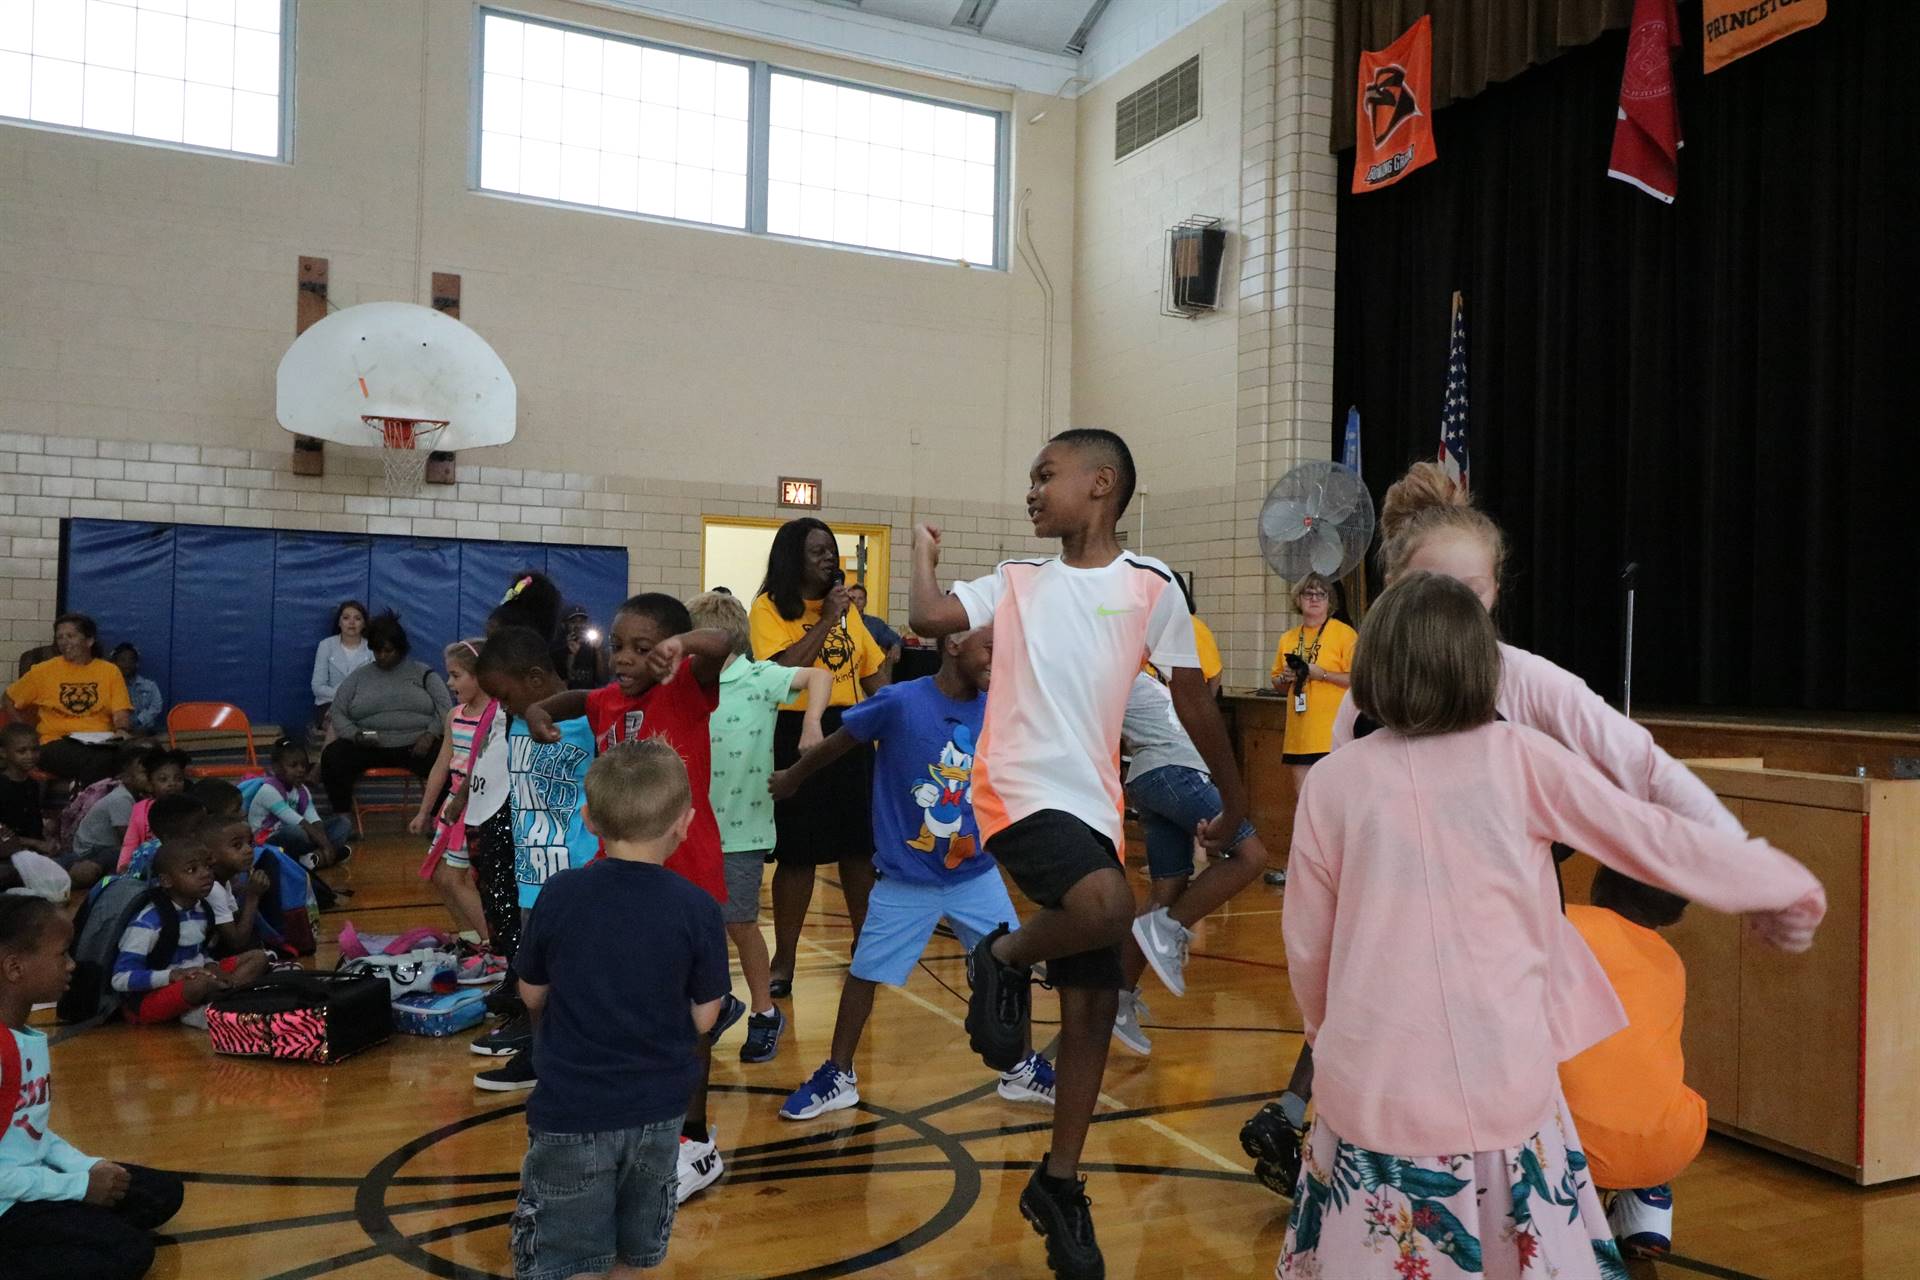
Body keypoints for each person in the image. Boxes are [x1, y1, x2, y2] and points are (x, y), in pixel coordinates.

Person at [1274, 572, 1824, 1279]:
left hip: (1372, 1094)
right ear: (1482, 666)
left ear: (1374, 665)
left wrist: (1332, 1043)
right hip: (1505, 1088)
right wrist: (1779, 887)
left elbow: (1307, 945)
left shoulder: (1332, 782)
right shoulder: (1521, 759)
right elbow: (1650, 836)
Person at [1243, 460, 1753, 1196]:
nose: (1452, 603)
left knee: (1509, 1119)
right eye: (1431, 586)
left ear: (1494, 592)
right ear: (1393, 592)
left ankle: (1611, 1189)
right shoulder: (1360, 720)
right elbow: (1333, 892)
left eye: (1471, 588)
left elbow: (1611, 776)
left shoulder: (1529, 684)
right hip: (1396, 960)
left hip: (1500, 956)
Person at [908, 428, 1247, 1280]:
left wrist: (1236, 800)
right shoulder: (1017, 581)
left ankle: (1058, 1182)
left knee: (1093, 1010)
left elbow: (1194, 701)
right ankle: (1006, 953)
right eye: (1030, 476)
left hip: (1095, 805)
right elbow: (926, 618)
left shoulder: (1150, 585)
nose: (1030, 489)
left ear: (1101, 485)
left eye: (1044, 475)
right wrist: (919, 556)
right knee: (1108, 908)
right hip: (1018, 792)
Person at [776, 627, 1058, 1122]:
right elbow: (839, 743)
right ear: (953, 645)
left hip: (976, 873)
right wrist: (794, 777)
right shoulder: (900, 702)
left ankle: (1019, 1067)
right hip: (907, 877)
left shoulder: (996, 707)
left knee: (1012, 963)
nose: (999, 657)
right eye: (991, 646)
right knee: (865, 972)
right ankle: (838, 1073)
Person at [524, 594, 739, 1204]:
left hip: (686, 881)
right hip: (616, 874)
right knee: (623, 1000)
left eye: (644, 648)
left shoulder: (686, 692)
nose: (624, 658)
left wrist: (687, 645)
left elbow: (722, 647)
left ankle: (694, 1140)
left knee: (688, 1019)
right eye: (618, 644)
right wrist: (541, 708)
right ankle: (626, 1114)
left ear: (670, 653)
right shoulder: (607, 701)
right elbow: (577, 700)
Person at [510, 741, 728, 1279]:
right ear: (685, 823)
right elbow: (706, 1018)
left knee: (565, 1257)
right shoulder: (698, 907)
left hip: (572, 1111)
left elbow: (531, 994)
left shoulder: (559, 894)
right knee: (635, 1255)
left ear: (587, 819)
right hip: (659, 1116)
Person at [0, 895, 186, 1279]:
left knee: (163, 1193)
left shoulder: (24, 1035)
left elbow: (27, 1130)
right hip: (7, 1200)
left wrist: (86, 1167)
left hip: (27, 1179)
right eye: (63, 954)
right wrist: (76, 1187)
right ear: (15, 967)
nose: (71, 965)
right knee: (131, 1252)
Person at [687, 590, 829, 1064]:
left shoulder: (758, 677)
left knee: (738, 921)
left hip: (742, 829)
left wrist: (812, 723)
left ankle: (765, 1013)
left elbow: (819, 675)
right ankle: (718, 1001)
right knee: (691, 920)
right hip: (690, 829)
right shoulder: (687, 685)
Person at [749, 518, 889, 999]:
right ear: (793, 558)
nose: (830, 559)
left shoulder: (848, 611)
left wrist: (897, 715)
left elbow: (871, 673)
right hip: (797, 732)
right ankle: (784, 957)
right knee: (798, 853)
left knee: (858, 850)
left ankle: (865, 950)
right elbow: (779, 672)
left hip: (851, 733)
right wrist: (828, 619)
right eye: (818, 552)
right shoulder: (769, 608)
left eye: (832, 551)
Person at [1110, 670, 1269, 1055]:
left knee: (1167, 889)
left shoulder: (1146, 672)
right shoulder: (1115, 665)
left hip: (1155, 777)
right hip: (1173, 773)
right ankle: (1169, 929)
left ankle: (1117, 1000)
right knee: (1253, 856)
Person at [468, 627, 597, 1089]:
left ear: (538, 677)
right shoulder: (516, 722)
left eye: (505, 695)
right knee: (534, 982)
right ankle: (542, 1057)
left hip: (578, 876)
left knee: (576, 981)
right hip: (530, 877)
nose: (501, 706)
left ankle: (574, 1059)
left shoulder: (589, 721)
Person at [1559, 868, 1706, 1259]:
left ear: (1600, 883)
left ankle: (1571, 1214)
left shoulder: (1567, 923)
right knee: (1658, 1089)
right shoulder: (1671, 961)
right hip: (1669, 1144)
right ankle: (1649, 1203)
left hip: (1576, 1149)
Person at [110, 841, 271, 1027]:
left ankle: (222, 998)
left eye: (208, 867)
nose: (206, 874)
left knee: (258, 958)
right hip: (147, 1000)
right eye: (192, 870)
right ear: (166, 881)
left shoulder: (202, 909)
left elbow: (199, 953)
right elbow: (120, 978)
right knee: (199, 984)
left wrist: (211, 965)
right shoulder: (148, 921)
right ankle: (223, 1001)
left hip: (196, 976)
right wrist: (171, 975)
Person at [409, 639, 498, 973]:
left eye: (456, 675)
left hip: (476, 806)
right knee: (441, 877)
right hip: (453, 804)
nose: (449, 683)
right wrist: (423, 810)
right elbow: (441, 766)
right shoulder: (454, 715)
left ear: (480, 676)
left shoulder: (496, 717)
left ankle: (497, 946)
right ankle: (473, 937)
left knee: (454, 878)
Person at [319, 611, 450, 816]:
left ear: (401, 649)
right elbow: (338, 711)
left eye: (388, 651)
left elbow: (445, 708)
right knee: (333, 757)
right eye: (377, 651)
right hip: (370, 745)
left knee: (448, 756)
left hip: (416, 746)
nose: (382, 656)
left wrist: (431, 733)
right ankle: (342, 818)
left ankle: (439, 818)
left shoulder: (423, 673)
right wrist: (354, 734)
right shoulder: (358, 677)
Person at [2, 614, 132, 784]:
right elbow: (8, 698)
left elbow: (120, 712)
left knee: (138, 753)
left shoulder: (110, 671)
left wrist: (121, 730)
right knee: (102, 760)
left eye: (70, 636)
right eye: (59, 637)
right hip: (55, 742)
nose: (64, 642)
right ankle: (82, 803)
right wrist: (26, 735)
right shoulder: (44, 671)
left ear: (89, 640)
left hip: (101, 742)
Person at [248, 738, 352, 870]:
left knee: (343, 824)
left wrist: (324, 842)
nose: (301, 770)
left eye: (304, 765)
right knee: (297, 832)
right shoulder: (269, 790)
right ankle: (320, 856)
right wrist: (326, 845)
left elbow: (314, 819)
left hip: (300, 837)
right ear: (276, 767)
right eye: (294, 766)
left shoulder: (302, 790)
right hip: (267, 840)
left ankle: (312, 858)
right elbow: (299, 821)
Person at [70, 745, 158, 885]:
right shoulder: (122, 799)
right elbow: (128, 840)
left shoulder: (140, 796)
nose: (151, 777)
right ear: (126, 778)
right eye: (144, 773)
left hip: (106, 847)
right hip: (92, 851)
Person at [199, 808, 273, 958]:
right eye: (237, 846)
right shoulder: (212, 889)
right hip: (203, 959)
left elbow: (236, 918)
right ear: (210, 856)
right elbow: (237, 943)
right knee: (259, 958)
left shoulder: (223, 881)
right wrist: (253, 896)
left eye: (250, 843)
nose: (248, 850)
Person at [115, 749, 190, 870]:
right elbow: (130, 843)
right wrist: (123, 865)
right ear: (150, 785)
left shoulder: (190, 807)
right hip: (146, 866)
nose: (172, 784)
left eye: (178, 778)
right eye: (163, 779)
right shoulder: (140, 809)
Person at [310, 600, 373, 737]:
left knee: (370, 728)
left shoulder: (372, 648)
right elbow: (317, 686)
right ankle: (329, 757)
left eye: (357, 618)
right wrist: (341, 698)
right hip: (329, 703)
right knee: (337, 723)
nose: (351, 622)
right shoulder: (326, 646)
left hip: (362, 705)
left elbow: (376, 686)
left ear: (364, 624)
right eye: (346, 618)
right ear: (339, 623)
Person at [117, 793, 206, 882]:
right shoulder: (146, 855)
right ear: (169, 838)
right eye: (195, 830)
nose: (207, 832)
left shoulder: (206, 849)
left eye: (206, 825)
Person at [0, 723, 52, 856]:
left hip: (31, 852)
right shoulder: (3, 786)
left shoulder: (33, 784)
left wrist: (47, 840)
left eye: (34, 750)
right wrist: (36, 843)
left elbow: (34, 823)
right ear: (4, 753)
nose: (30, 756)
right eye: (22, 751)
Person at [846, 583, 903, 676]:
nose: (856, 602)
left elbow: (895, 639)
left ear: (865, 602)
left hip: (868, 672)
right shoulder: (838, 622)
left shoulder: (875, 624)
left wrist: (896, 646)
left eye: (860, 598)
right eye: (853, 598)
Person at [110, 645, 164, 737]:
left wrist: (138, 721)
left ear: (137, 663)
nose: (127, 664)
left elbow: (156, 707)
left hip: (145, 731)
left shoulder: (150, 686)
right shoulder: (108, 686)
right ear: (114, 664)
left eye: (131, 660)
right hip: (116, 732)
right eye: (122, 660)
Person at [560, 603, 611, 691]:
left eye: (582, 621)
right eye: (573, 622)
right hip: (567, 699)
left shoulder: (593, 646)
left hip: (589, 697)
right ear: (564, 625)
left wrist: (598, 651)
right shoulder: (559, 647)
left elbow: (603, 680)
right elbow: (567, 680)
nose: (578, 626)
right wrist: (572, 654)